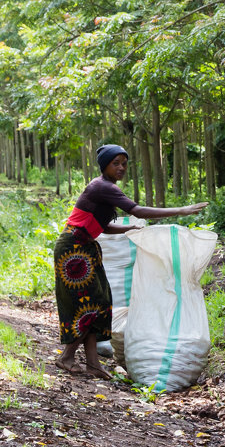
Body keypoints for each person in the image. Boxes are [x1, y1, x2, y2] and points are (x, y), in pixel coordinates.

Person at [55, 144, 207, 379]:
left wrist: (130, 229)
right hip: (73, 249)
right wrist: (182, 210)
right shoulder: (102, 186)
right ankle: (67, 357)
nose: (121, 168)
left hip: (85, 247)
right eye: (115, 163)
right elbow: (137, 210)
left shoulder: (106, 188)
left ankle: (93, 364)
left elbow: (102, 226)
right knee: (88, 304)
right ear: (104, 165)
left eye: (124, 163)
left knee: (101, 302)